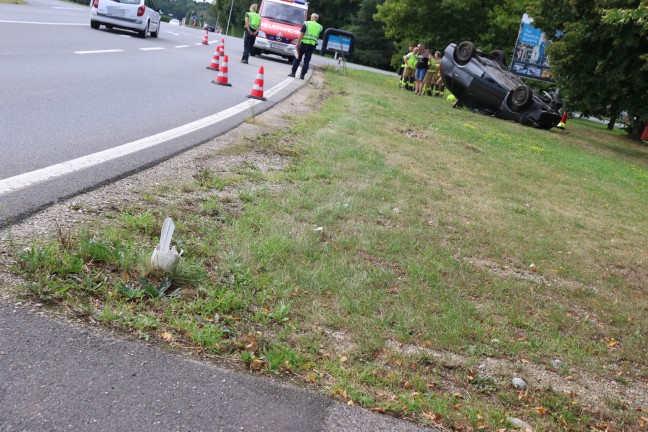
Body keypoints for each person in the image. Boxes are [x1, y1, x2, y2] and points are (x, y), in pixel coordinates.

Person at [288, 13, 323, 79]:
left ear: (311, 17)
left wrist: (298, 43)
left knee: (297, 58)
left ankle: (293, 73)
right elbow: (318, 36)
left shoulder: (307, 23)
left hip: (303, 43)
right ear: (317, 19)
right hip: (312, 45)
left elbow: (301, 34)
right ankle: (302, 75)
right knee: (307, 60)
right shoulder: (320, 27)